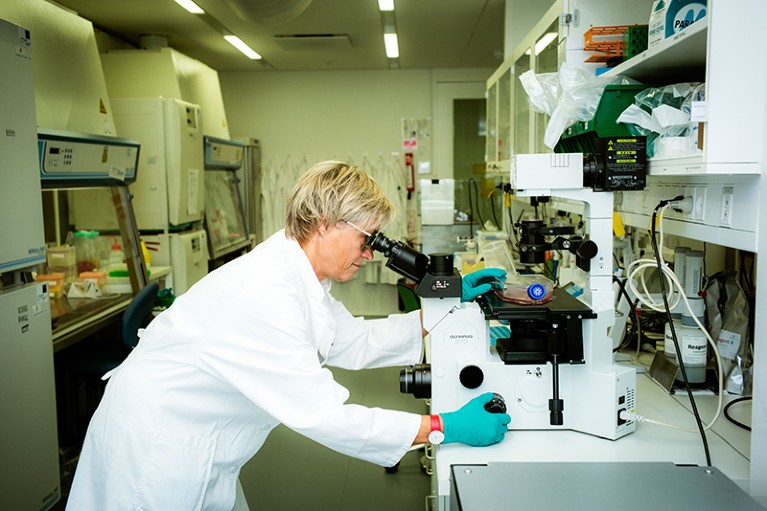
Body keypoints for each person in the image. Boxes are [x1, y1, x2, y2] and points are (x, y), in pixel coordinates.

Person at [66, 161, 510, 510]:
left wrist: (439, 312)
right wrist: (441, 427)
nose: (371, 252)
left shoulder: (300, 274)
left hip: (203, 444)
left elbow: (350, 340)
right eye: (367, 238)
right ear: (323, 222)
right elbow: (325, 416)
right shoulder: (266, 294)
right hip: (158, 454)